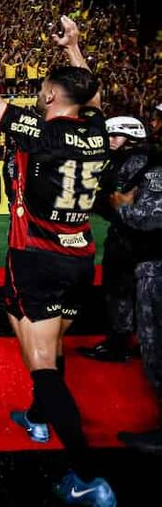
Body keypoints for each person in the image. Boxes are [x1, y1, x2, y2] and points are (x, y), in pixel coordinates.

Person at [0, 8, 115, 507]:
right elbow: (92, 96)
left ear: (50, 96)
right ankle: (37, 410)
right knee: (25, 320)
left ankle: (86, 473)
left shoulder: (39, 130)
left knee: (43, 357)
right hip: (78, 255)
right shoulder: (97, 131)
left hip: (37, 255)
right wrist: (73, 46)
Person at [79, 116, 149, 361]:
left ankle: (120, 345)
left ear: (131, 138)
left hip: (132, 239)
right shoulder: (125, 159)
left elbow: (118, 202)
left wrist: (100, 204)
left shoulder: (136, 163)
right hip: (129, 237)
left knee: (122, 289)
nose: (109, 140)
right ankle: (133, 342)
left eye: (115, 135)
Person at [110, 147, 162, 453]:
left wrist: (121, 206)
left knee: (154, 346)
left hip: (156, 266)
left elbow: (148, 218)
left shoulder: (155, 168)